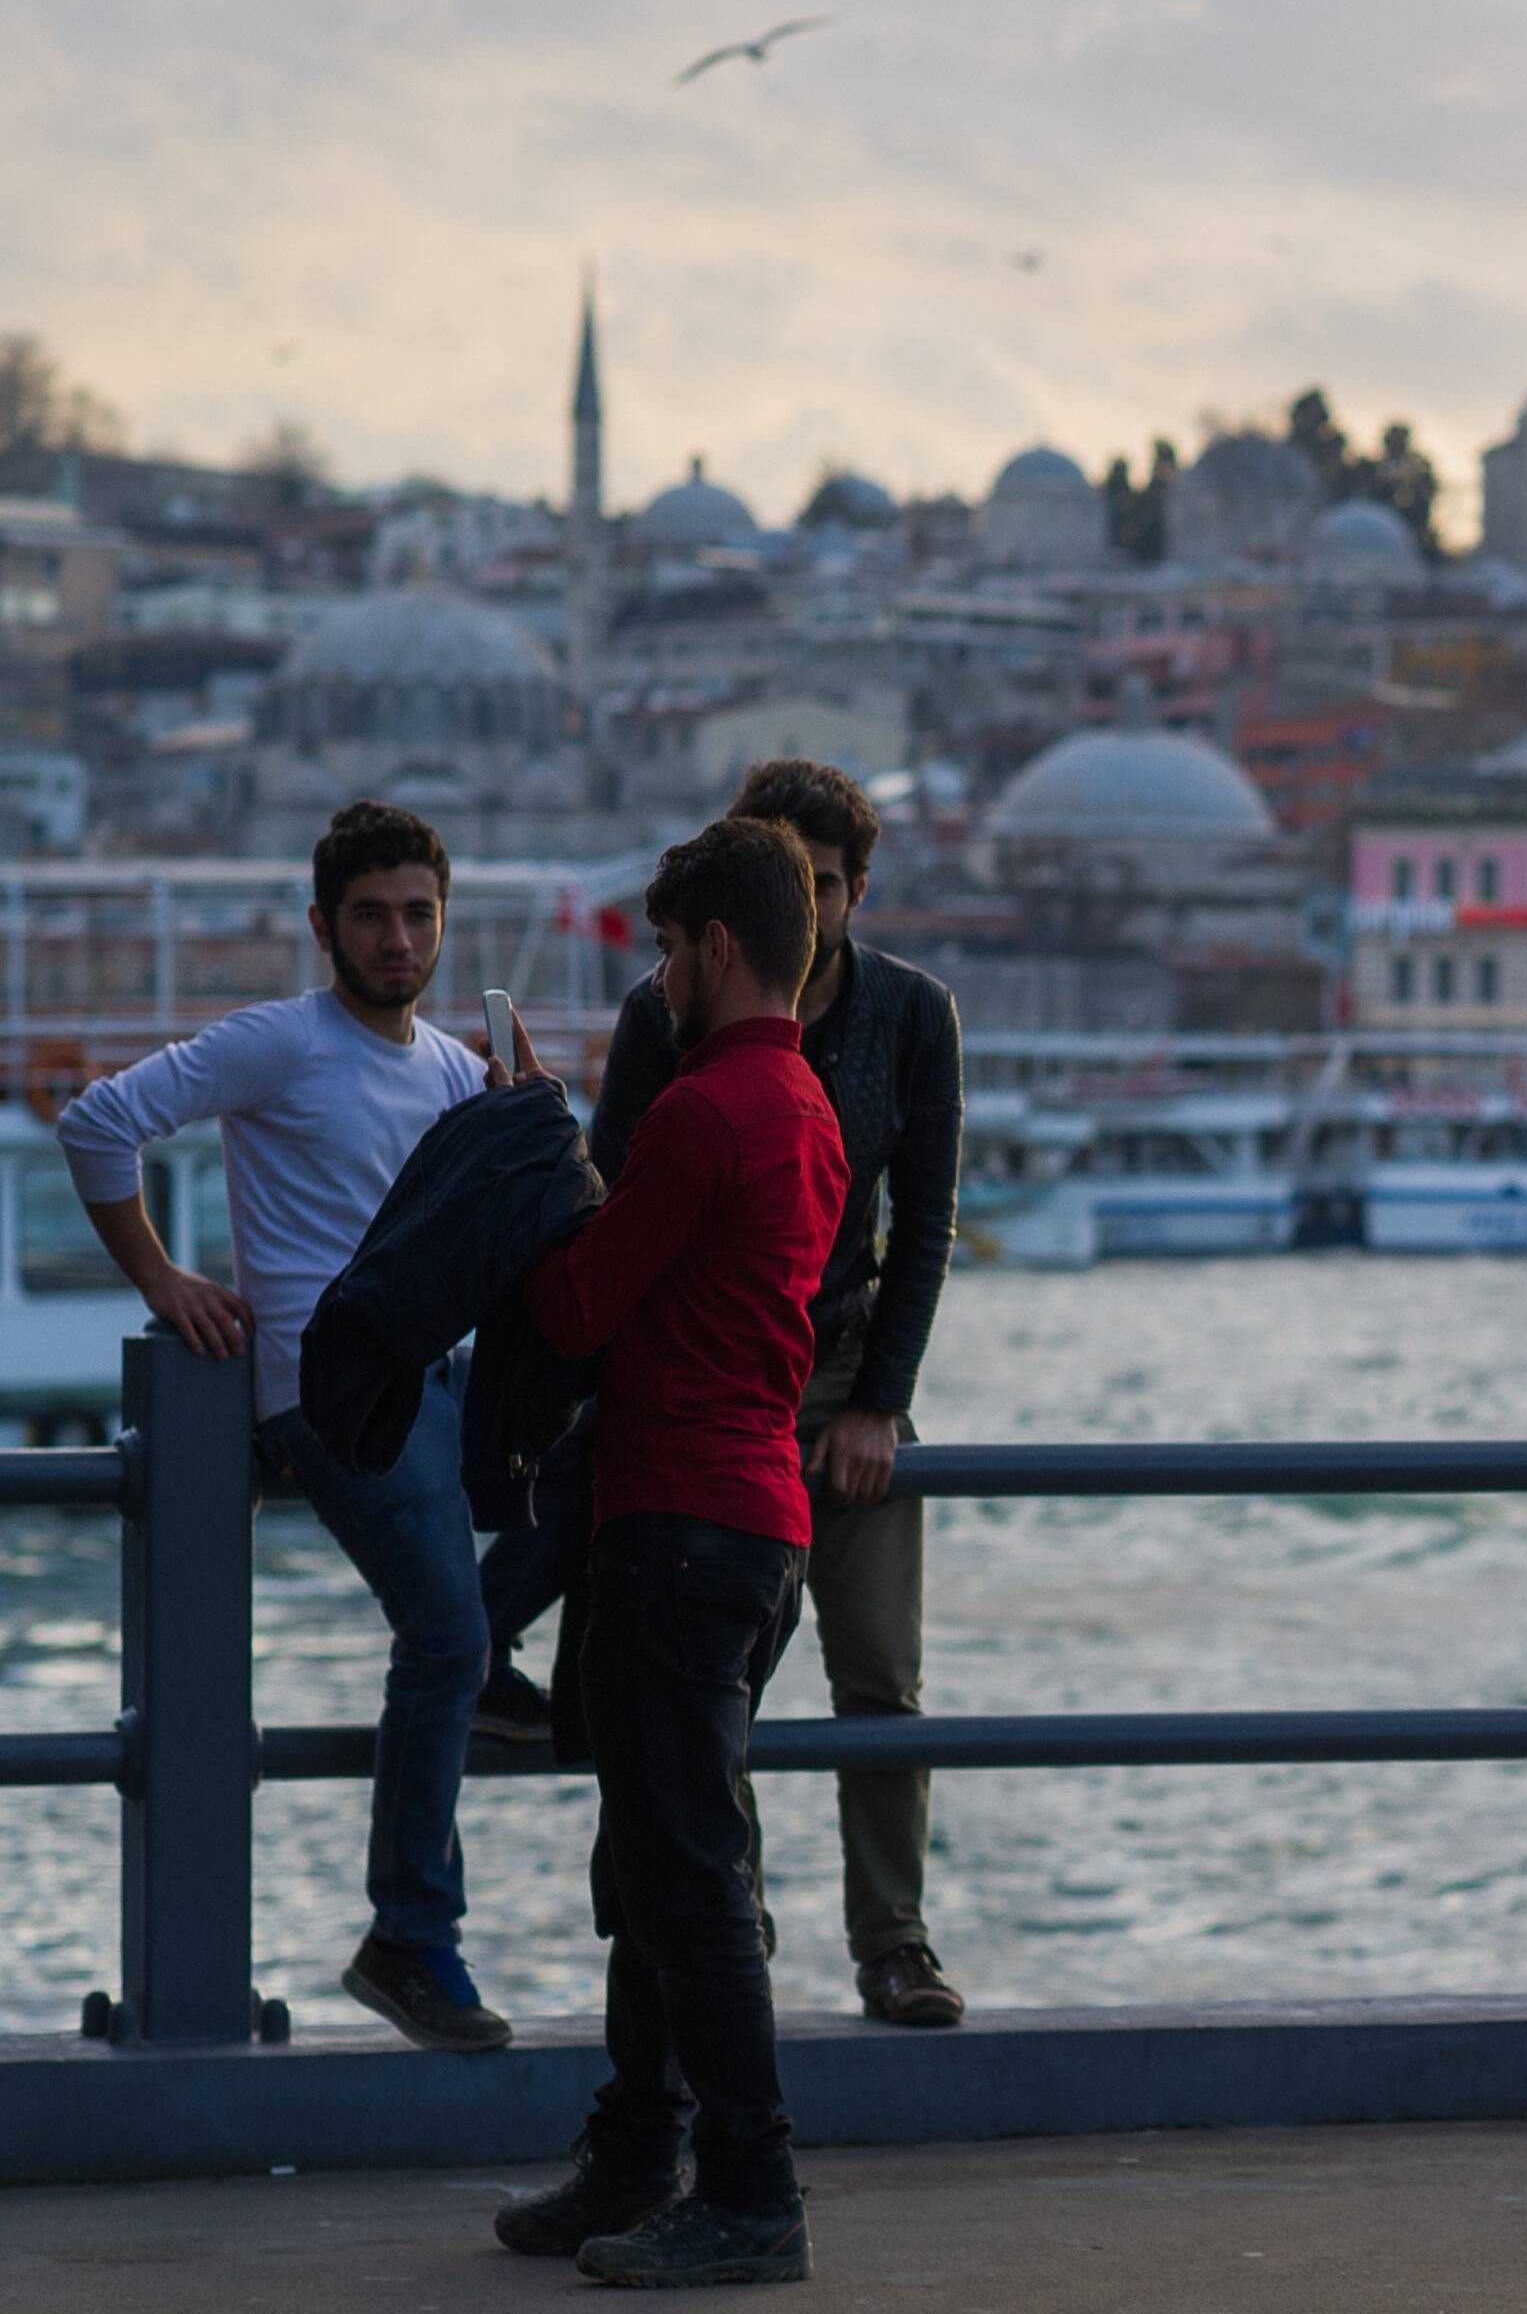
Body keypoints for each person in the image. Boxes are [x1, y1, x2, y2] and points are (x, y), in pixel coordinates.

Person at [477, 757, 968, 2026]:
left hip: (836, 1360)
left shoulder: (912, 1016)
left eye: (821, 884)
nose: (800, 906)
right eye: (782, 878)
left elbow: (921, 1225)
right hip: (711, 1377)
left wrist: (880, 1399)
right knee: (710, 1691)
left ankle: (891, 1940)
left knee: (878, 1675)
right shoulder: (669, 1009)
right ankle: (725, 1921)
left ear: (856, 892)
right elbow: (626, 1202)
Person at [55, 801, 509, 2051]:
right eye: (370, 915)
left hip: (438, 1382)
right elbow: (97, 1122)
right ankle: (410, 1935)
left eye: (418, 913)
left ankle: (500, 1669)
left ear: (444, 921)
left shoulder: (455, 1069)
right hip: (330, 1394)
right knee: (445, 1636)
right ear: (322, 925)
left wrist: (520, 1122)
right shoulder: (281, 1041)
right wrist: (164, 1279)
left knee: (575, 1514)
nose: (398, 938)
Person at [488, 818, 845, 2288]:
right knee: (657, 1867)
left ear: (718, 945)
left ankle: (751, 2191)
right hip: (754, 1529)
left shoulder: (704, 1112)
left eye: (667, 952)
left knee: (685, 1881)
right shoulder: (806, 1106)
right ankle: (638, 2153)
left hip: (675, 1526)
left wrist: (533, 1152)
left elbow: (579, 1306)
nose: (657, 981)